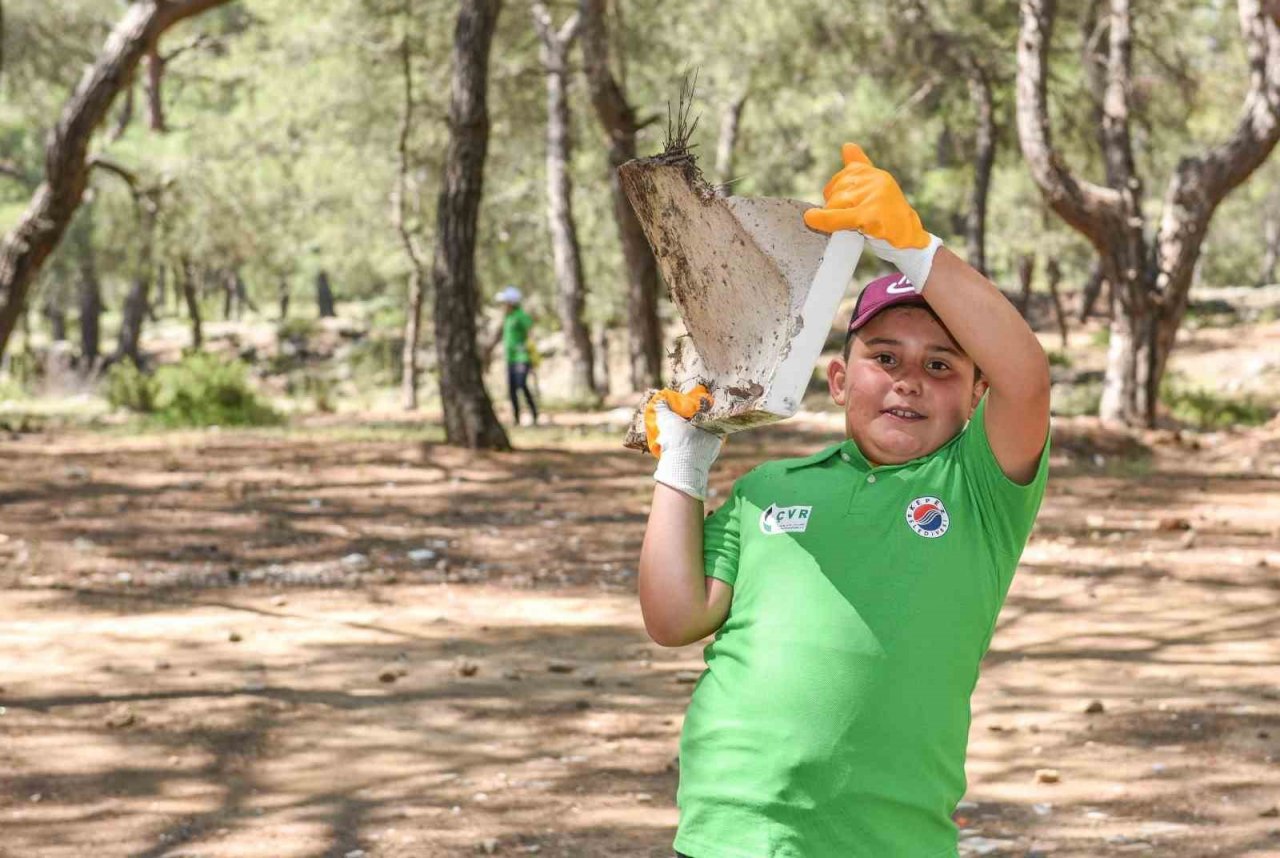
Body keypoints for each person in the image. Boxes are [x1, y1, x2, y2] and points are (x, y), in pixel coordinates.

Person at [638, 144, 1052, 858]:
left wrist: (914, 249)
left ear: (977, 394)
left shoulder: (979, 488)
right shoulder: (769, 489)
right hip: (732, 831)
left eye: (941, 365)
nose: (908, 380)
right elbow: (675, 618)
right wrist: (683, 462)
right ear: (837, 380)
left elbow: (1028, 376)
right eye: (884, 358)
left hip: (888, 841)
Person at [497, 285, 539, 426]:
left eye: (505, 302)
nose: (503, 305)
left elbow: (531, 329)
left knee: (521, 384)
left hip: (522, 358)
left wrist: (529, 348)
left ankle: (534, 414)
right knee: (512, 388)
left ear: (512, 302)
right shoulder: (508, 317)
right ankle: (516, 418)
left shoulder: (520, 315)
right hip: (510, 358)